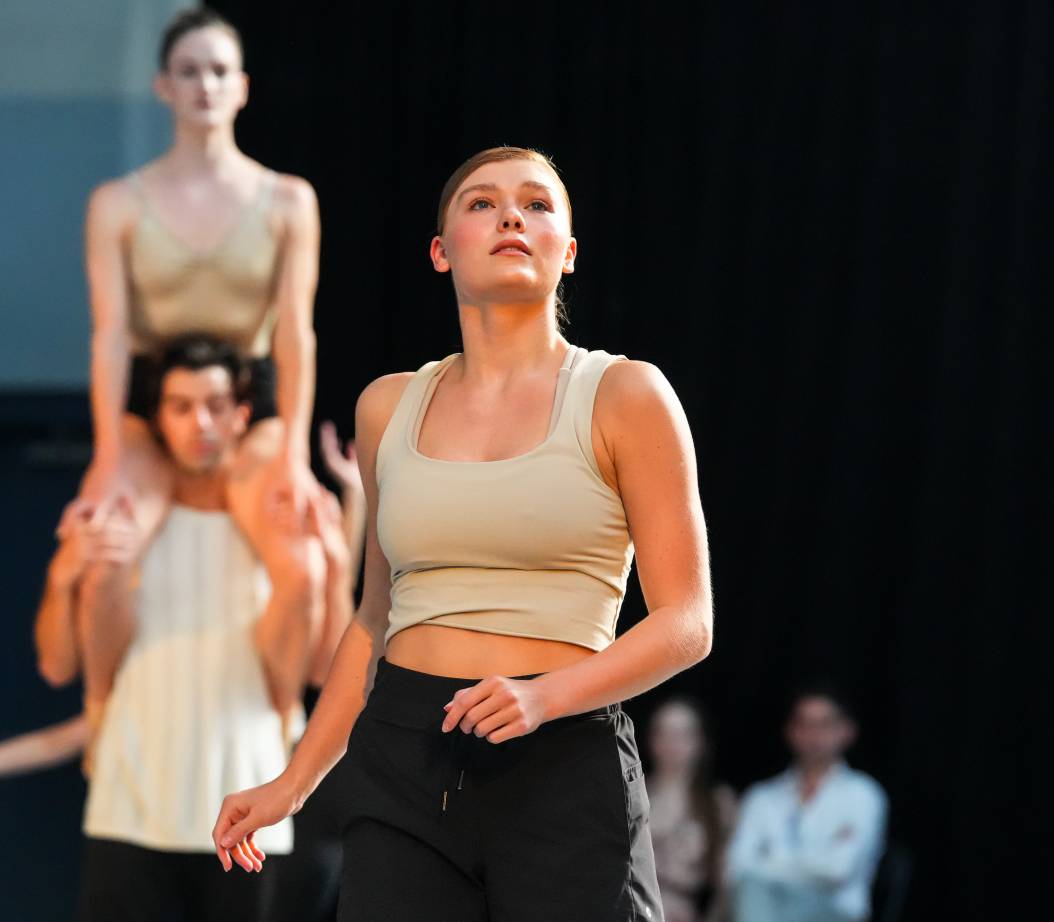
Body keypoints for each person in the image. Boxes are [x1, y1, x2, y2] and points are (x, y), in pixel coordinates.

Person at [212, 146, 714, 922]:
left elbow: (688, 622)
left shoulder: (625, 394)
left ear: (568, 253)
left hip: (563, 753)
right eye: (482, 203)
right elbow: (373, 621)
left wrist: (545, 698)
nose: (512, 214)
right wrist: (294, 781)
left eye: (538, 204)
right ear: (441, 251)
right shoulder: (387, 407)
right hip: (403, 761)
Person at [60, 7, 325, 745]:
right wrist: (110, 456)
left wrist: (295, 459)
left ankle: (280, 717)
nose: (204, 84)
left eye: (218, 71)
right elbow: (110, 335)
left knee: (301, 561)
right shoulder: (116, 204)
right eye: (188, 71)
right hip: (153, 404)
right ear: (162, 87)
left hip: (248, 406)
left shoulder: (287, 201)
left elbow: (297, 331)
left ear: (241, 87)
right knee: (107, 549)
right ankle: (101, 711)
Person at [37, 335, 355, 921]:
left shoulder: (274, 527)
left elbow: (324, 671)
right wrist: (62, 578)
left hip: (249, 799)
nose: (199, 423)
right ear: (158, 417)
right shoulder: (125, 523)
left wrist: (334, 568)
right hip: (130, 801)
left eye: (214, 405)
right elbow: (56, 665)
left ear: (241, 416)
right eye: (181, 406)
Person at [728, 685, 887, 922]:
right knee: (753, 891)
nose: (814, 735)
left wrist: (770, 861)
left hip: (835, 913)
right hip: (766, 905)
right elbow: (736, 867)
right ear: (791, 731)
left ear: (846, 731)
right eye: (805, 724)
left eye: (824, 724)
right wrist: (809, 865)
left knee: (757, 891)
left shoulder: (863, 795)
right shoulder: (762, 798)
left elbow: (838, 871)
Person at [645, 697, 738, 922]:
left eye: (682, 734)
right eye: (664, 733)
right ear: (651, 739)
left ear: (700, 741)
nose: (672, 743)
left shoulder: (718, 801)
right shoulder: (633, 795)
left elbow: (727, 879)